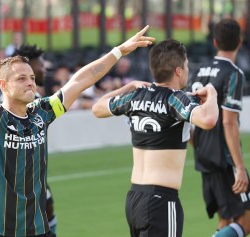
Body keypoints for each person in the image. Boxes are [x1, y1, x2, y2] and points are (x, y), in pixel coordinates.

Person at [0, 5, 154, 237]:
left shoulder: (42, 112)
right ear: (3, 85)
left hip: (39, 229)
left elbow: (80, 81)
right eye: (21, 78)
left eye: (31, 77)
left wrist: (119, 50)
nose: (30, 82)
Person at [92, 39, 219, 237]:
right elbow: (209, 120)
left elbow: (98, 107)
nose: (187, 70)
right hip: (161, 200)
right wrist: (212, 93)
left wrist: (130, 86)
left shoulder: (136, 96)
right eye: (185, 66)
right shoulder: (176, 98)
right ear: (178, 70)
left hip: (134, 199)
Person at [186, 18, 250, 237]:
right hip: (224, 158)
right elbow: (228, 121)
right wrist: (239, 167)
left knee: (225, 218)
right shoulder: (233, 74)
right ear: (240, 42)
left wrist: (198, 147)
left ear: (215, 42)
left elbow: (189, 116)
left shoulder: (199, 71)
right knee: (245, 222)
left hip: (203, 154)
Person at [12, 44, 58, 234]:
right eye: (40, 65)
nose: (44, 69)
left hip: (36, 177)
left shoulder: (37, 97)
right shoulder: (15, 100)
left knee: (48, 209)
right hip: (19, 184)